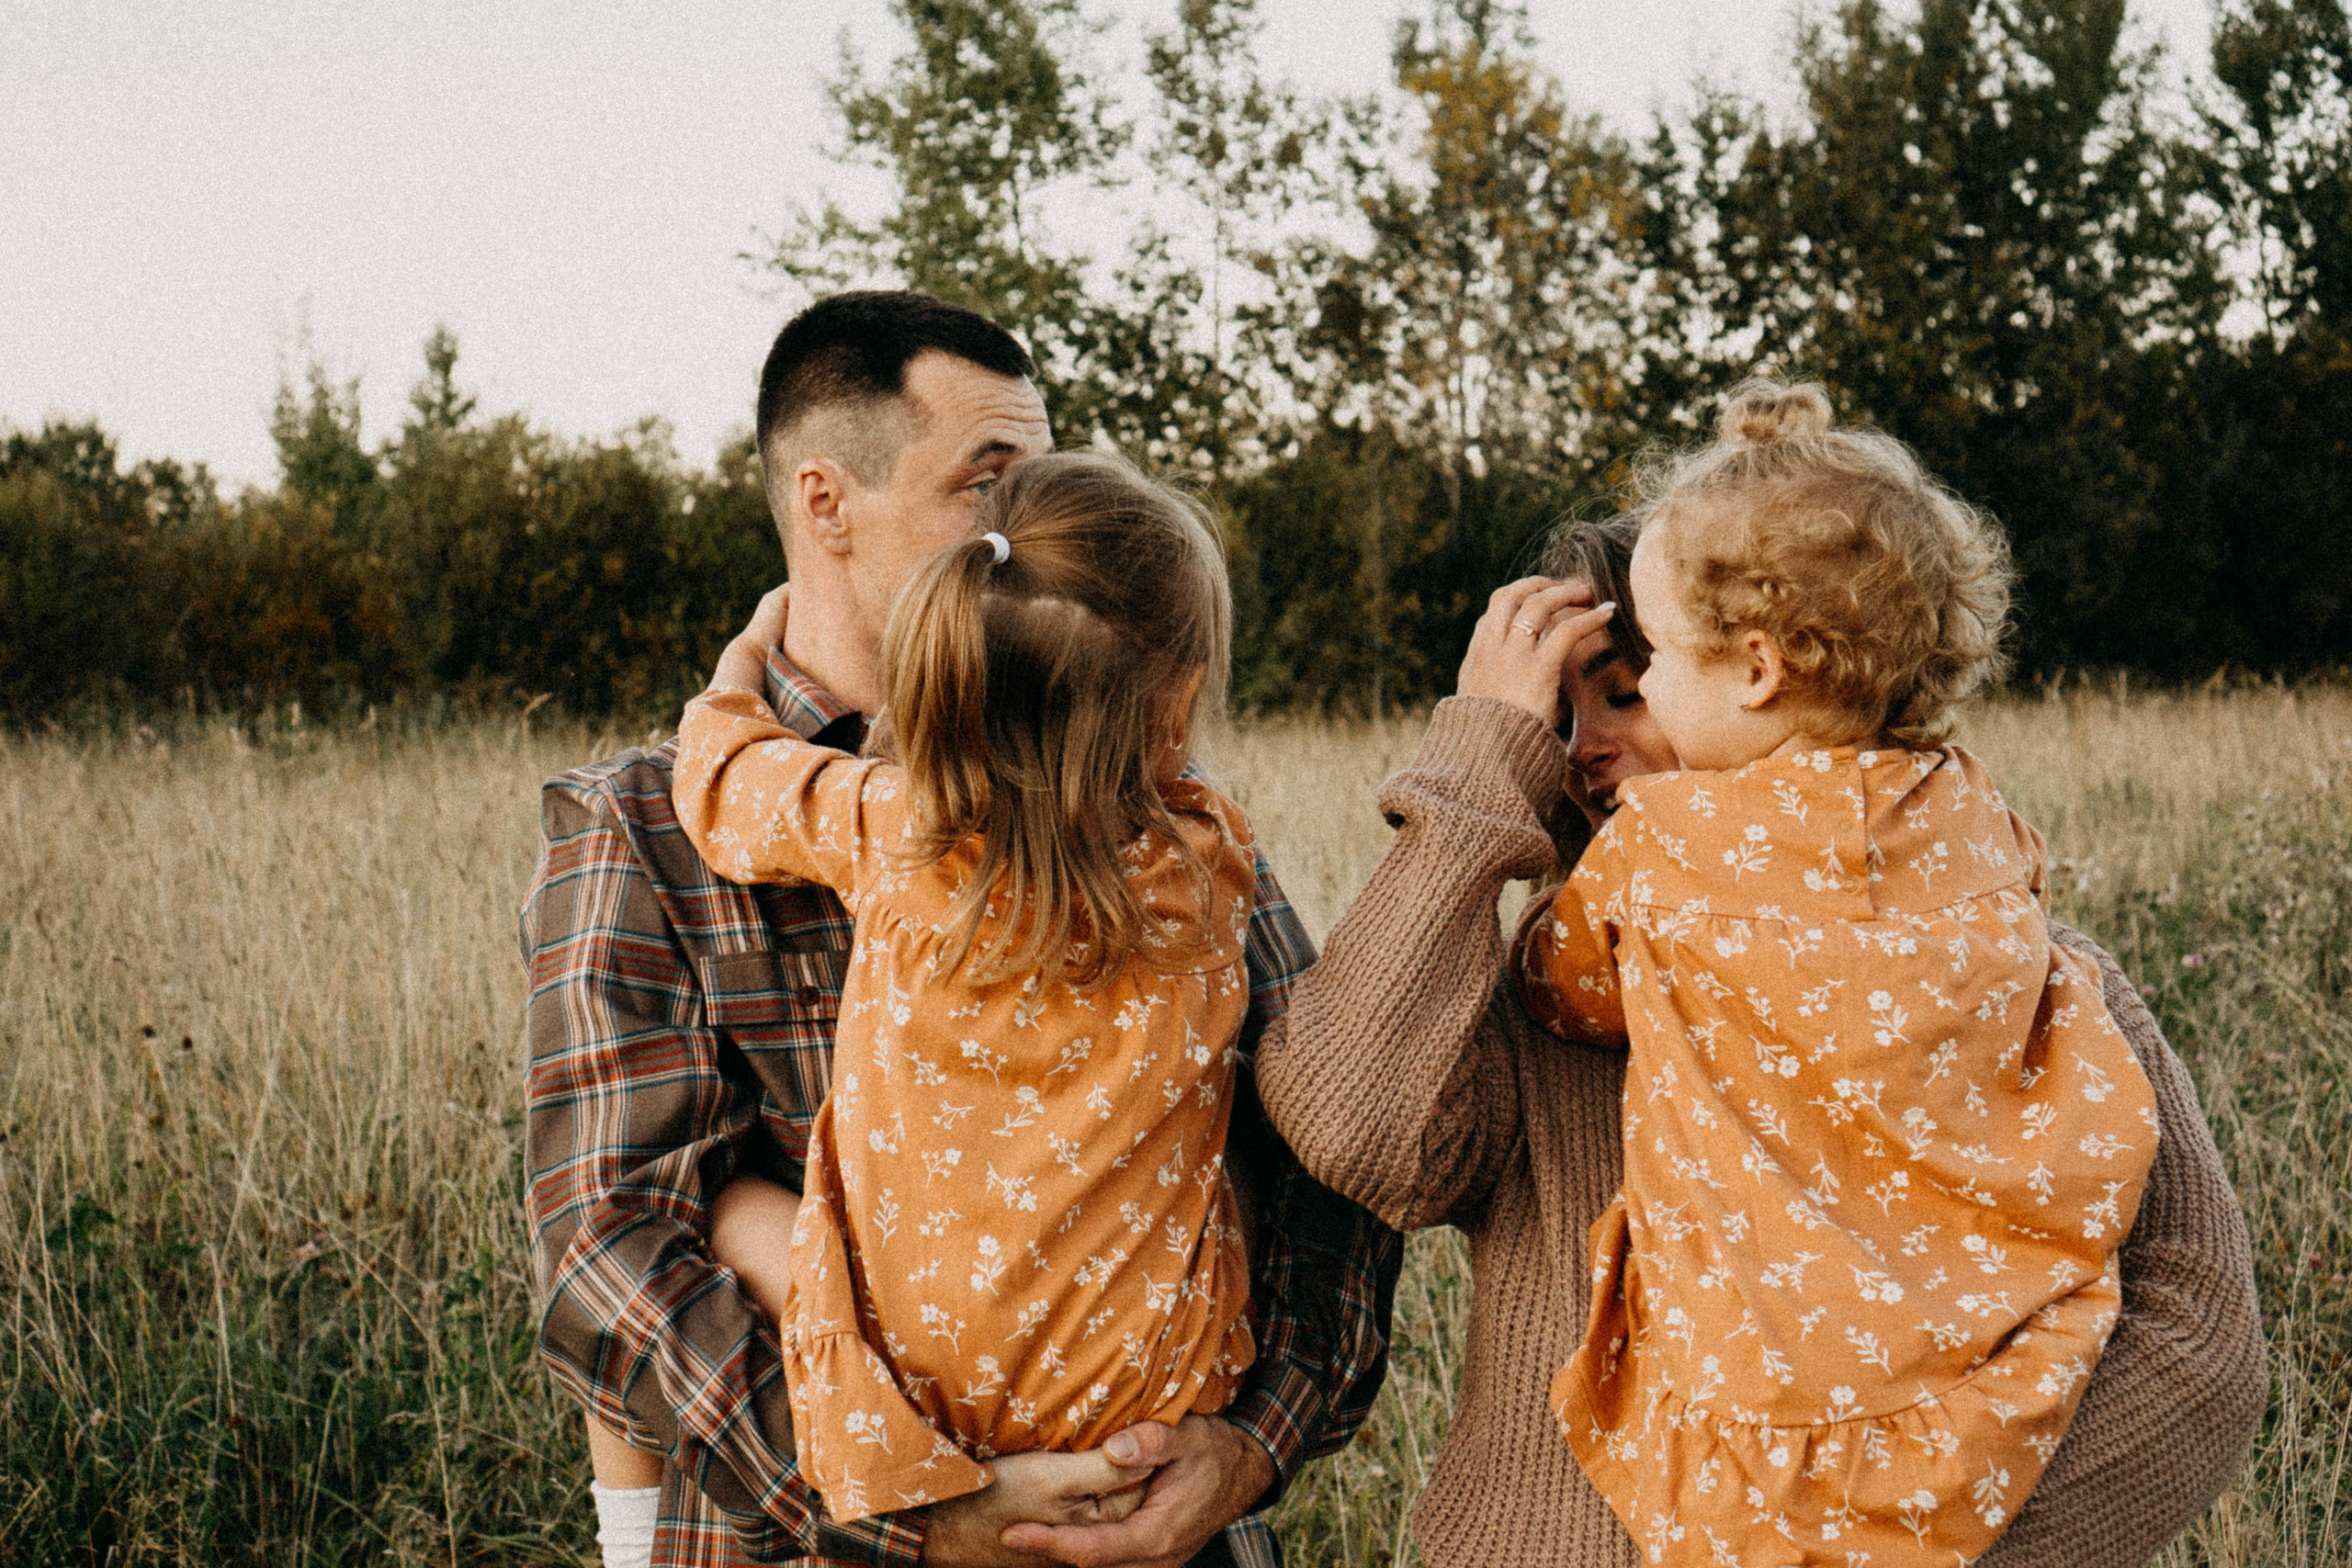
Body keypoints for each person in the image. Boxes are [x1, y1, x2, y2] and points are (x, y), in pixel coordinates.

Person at [1254, 412, 2265, 1562]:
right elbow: (1346, 1126)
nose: (1578, 749)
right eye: (1547, 713)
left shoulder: (2018, 967)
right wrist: (1476, 766)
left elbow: (2200, 1333)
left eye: (1629, 690)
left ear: (1760, 674)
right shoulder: (1528, 988)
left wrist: (1882, 1540)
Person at [521, 291, 1399, 1568]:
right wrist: (908, 1505)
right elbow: (609, 1247)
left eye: (1042, 482)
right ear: (826, 502)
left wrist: (1253, 1443)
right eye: (987, 484)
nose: (1026, 531)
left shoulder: (1153, 810)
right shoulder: (640, 824)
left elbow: (1326, 1142)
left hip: (1155, 1527)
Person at [1508, 381, 2157, 1564]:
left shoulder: (1659, 854)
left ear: (1754, 668)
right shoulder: (1974, 816)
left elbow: (1558, 986)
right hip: (1984, 1363)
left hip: (1772, 1405)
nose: (1635, 700)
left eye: (1647, 666)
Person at [666, 453, 1261, 1522]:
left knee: (737, 1211)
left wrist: (742, 659)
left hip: (920, 1401)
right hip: (1144, 1405)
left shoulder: (889, 829)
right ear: (1173, 703)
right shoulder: (1207, 864)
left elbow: (716, 781)